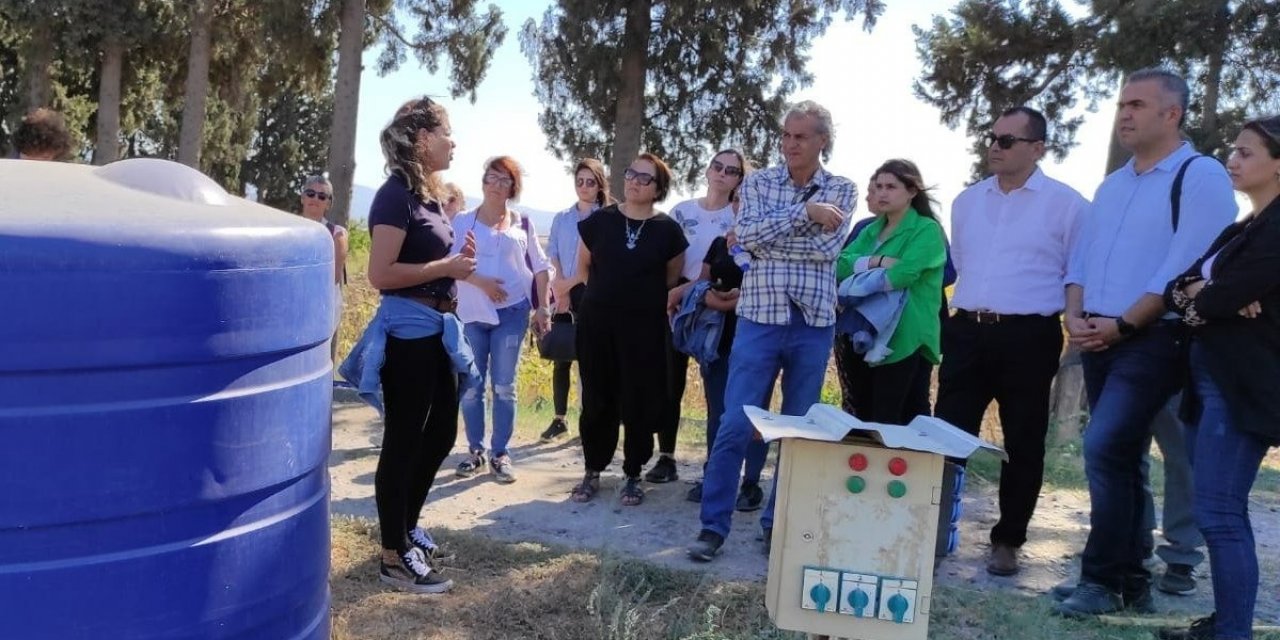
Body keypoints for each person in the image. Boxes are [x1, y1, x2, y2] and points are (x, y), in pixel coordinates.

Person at [1053, 69, 1237, 617]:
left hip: (1154, 337)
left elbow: (1182, 267)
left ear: (1171, 114)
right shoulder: (1114, 184)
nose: (1124, 114)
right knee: (1123, 456)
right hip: (1099, 335)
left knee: (1104, 447)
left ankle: (1101, 580)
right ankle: (1131, 583)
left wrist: (1125, 325)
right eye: (1121, 104)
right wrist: (1075, 313)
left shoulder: (1201, 176)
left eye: (1137, 104)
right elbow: (1083, 258)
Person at [688, 100, 856, 561]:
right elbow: (746, 236)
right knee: (734, 423)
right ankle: (712, 527)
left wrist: (773, 237)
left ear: (822, 141)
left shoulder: (842, 188)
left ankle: (777, 526)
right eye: (785, 135)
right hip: (759, 319)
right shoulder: (759, 182)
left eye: (800, 136)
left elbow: (827, 249)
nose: (790, 144)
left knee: (797, 431)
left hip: (812, 323)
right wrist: (806, 214)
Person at [933, 106, 1088, 576]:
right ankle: (932, 528)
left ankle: (1008, 540)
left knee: (1023, 439)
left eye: (1006, 140)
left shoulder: (1068, 205)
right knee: (946, 434)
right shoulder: (966, 201)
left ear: (1037, 148)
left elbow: (1076, 272)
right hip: (967, 329)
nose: (994, 147)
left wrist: (1074, 324)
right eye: (992, 138)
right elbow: (963, 264)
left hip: (1029, 336)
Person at [1157, 115, 1280, 640]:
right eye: (1234, 149)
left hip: (1240, 387)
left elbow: (1213, 298)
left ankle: (1232, 632)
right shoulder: (1242, 229)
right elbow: (1177, 288)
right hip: (1205, 379)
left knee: (1220, 512)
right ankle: (1226, 625)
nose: (1232, 159)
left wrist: (1211, 296)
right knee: (1216, 511)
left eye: (1246, 152)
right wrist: (1208, 295)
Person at [359, 96, 477, 594]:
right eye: (447, 133)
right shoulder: (394, 196)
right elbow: (380, 274)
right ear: (424, 138)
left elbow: (427, 260)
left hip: (438, 329)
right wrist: (446, 267)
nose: (454, 142)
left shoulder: (427, 197)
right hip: (408, 332)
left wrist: (455, 264)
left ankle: (406, 529)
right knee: (404, 439)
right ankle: (392, 556)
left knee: (442, 433)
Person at [557, 153, 686, 506]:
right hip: (597, 323)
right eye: (631, 173)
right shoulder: (599, 222)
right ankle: (592, 470)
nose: (634, 181)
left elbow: (670, 278)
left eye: (645, 178)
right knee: (596, 397)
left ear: (658, 189)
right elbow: (584, 269)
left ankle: (632, 474)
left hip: (644, 329)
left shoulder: (669, 231)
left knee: (638, 399)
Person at [663, 150, 769, 507]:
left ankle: (751, 483)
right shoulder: (718, 243)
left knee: (755, 409)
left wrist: (737, 300)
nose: (740, 205)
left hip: (758, 334)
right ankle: (715, 476)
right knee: (719, 409)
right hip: (718, 336)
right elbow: (702, 283)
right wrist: (701, 296)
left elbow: (770, 289)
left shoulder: (771, 247)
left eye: (747, 200)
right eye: (737, 200)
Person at [645, 150, 743, 487]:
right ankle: (666, 456)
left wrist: (703, 293)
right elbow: (663, 255)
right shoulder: (681, 211)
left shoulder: (739, 215)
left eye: (731, 171)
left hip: (720, 306)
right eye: (718, 166)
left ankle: (714, 465)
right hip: (676, 303)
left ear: (739, 180)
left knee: (717, 389)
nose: (722, 173)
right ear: (708, 169)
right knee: (669, 383)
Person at [451, 156, 551, 483]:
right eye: (491, 178)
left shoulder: (522, 223)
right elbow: (449, 263)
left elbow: (541, 267)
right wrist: (480, 282)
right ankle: (475, 451)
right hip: (472, 314)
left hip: (512, 313)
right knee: (472, 385)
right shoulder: (462, 221)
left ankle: (500, 453)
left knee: (505, 385)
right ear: (483, 182)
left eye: (504, 180)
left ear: (513, 188)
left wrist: (543, 308)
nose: (496, 185)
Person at [834, 159, 946, 425]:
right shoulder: (871, 229)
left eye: (891, 187)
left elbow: (904, 274)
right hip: (864, 332)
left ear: (912, 191)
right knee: (863, 417)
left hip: (906, 335)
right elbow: (839, 266)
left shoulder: (927, 230)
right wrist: (878, 262)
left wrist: (857, 277)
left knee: (900, 419)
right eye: (879, 186)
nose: (882, 193)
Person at [542, 159, 614, 441]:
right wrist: (560, 288)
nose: (584, 187)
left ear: (599, 185)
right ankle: (559, 419)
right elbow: (553, 253)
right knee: (561, 355)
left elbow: (600, 261)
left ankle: (589, 418)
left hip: (591, 292)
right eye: (579, 181)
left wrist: (570, 284)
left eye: (590, 182)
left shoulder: (607, 218)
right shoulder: (562, 217)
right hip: (562, 291)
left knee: (589, 359)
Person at [299, 174, 350, 363]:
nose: (315, 199)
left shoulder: (336, 235)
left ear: (328, 203)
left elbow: (333, 278)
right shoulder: (289, 229)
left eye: (322, 196)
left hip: (320, 309)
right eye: (311, 193)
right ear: (302, 197)